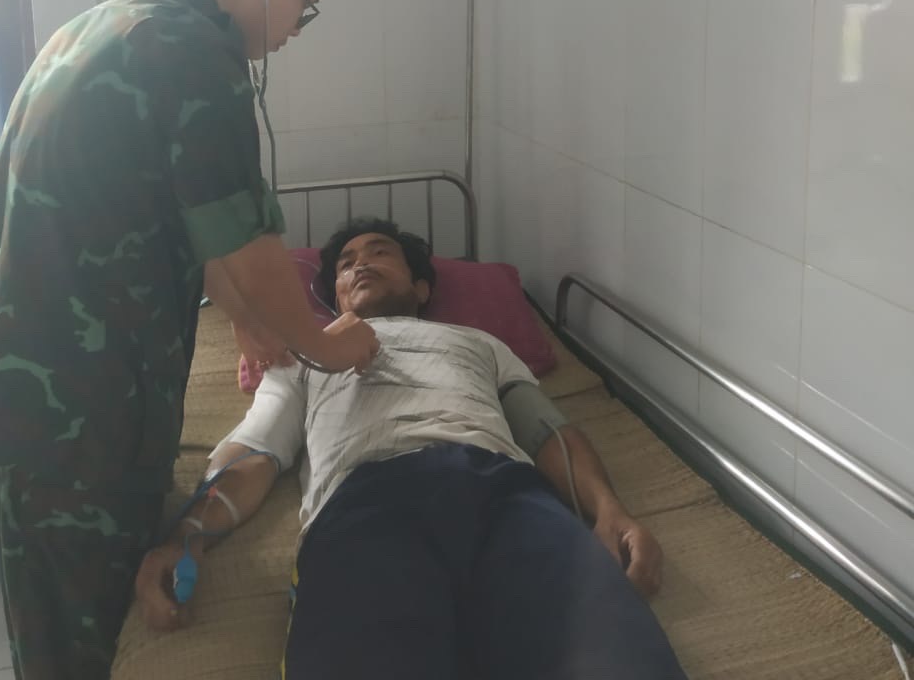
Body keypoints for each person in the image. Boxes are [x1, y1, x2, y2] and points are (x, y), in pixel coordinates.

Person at [0, 0, 379, 680]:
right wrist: (326, 345)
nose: (294, 33)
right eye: (303, 9)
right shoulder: (196, 58)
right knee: (84, 642)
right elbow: (250, 247)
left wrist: (244, 318)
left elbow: (182, 218)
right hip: (76, 419)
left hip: (33, 396)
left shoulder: (112, 22)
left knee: (48, 620)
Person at [136, 218, 690, 680]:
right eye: (346, 263)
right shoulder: (304, 354)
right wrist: (187, 536)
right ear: (335, 294)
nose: (361, 263)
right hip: (366, 505)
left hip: (507, 495)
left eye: (380, 252)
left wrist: (610, 512)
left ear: (422, 287)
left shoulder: (478, 342)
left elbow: (548, 430)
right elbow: (253, 453)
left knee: (617, 658)